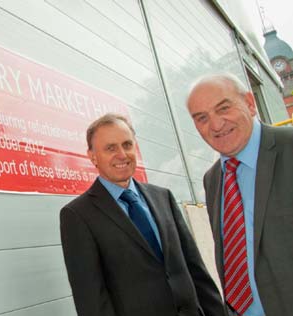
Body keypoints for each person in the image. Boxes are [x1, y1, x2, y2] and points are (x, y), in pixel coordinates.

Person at [60, 113, 224, 316]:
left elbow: (196, 269)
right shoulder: (78, 215)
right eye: (111, 148)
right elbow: (91, 299)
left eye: (127, 145)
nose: (122, 154)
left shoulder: (163, 197)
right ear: (93, 156)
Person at [186, 73, 293, 316]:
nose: (215, 125)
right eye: (202, 118)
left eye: (223, 108)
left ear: (250, 103)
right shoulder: (212, 180)